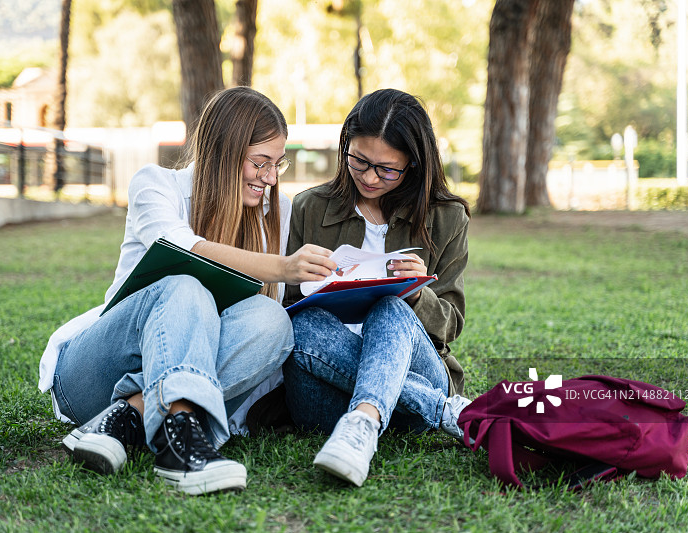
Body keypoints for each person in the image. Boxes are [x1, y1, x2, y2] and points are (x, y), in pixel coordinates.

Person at [38, 87, 336, 495]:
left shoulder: (274, 212)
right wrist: (282, 268)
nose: (270, 178)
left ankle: (129, 416)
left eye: (277, 164)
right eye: (259, 163)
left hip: (151, 386)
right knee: (185, 284)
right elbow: (184, 249)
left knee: (272, 320)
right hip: (93, 375)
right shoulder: (157, 185)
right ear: (224, 153)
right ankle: (179, 450)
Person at [282, 88, 472, 487]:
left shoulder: (447, 218)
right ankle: (441, 410)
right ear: (345, 147)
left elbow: (450, 325)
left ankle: (363, 424)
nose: (369, 177)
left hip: (413, 376)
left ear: (414, 166)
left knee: (390, 308)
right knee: (299, 324)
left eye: (387, 169)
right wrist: (305, 285)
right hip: (322, 391)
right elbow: (287, 315)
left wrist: (417, 293)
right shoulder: (309, 207)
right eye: (359, 161)